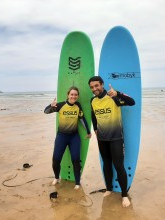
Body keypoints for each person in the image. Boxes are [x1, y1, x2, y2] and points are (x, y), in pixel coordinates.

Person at [88, 76, 135, 207]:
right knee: (106, 164)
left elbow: (132, 102)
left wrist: (118, 93)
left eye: (96, 86)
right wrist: (95, 129)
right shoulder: (92, 100)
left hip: (116, 138)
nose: (94, 89)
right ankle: (108, 188)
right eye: (91, 87)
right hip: (102, 139)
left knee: (119, 166)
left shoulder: (113, 97)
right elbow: (93, 115)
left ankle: (124, 195)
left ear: (102, 84)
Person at [44, 86, 91, 189]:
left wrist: (88, 131)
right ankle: (56, 177)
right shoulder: (60, 105)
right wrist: (50, 106)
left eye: (75, 95)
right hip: (62, 136)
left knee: (76, 160)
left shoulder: (78, 105)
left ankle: (77, 183)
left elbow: (82, 119)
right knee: (56, 160)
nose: (73, 96)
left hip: (74, 137)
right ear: (68, 95)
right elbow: (46, 111)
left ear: (77, 96)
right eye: (72, 94)